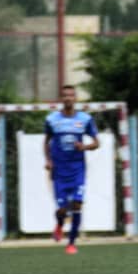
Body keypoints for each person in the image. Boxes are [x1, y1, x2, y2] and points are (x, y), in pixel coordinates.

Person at [44, 84, 99, 255]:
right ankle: (60, 224)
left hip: (77, 169)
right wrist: (48, 160)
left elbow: (97, 143)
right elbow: (47, 141)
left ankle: (71, 242)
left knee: (77, 203)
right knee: (62, 209)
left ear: (75, 98)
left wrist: (84, 147)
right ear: (61, 99)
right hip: (59, 170)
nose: (68, 98)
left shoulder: (84, 119)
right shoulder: (52, 119)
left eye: (71, 95)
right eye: (65, 95)